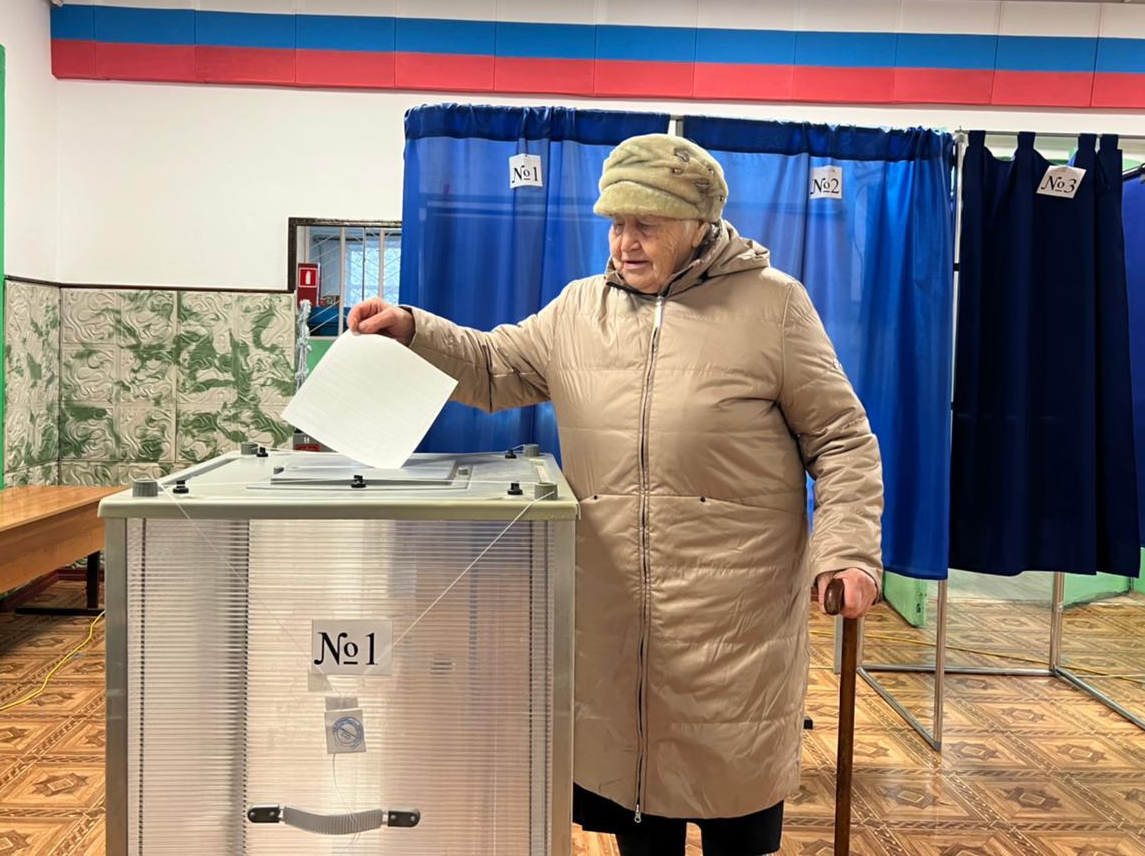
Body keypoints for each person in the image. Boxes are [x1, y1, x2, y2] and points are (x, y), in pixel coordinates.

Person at [348, 133, 883, 856]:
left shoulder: (774, 306)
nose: (625, 243)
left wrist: (847, 551)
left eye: (646, 225)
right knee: (638, 816)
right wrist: (412, 331)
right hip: (617, 620)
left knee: (735, 819)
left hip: (734, 626)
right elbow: (494, 366)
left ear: (698, 224)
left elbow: (842, 440)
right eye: (617, 223)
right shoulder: (579, 311)